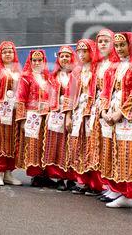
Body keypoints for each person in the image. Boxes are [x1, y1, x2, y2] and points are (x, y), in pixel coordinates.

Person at [100, 32, 132, 216]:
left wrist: (118, 114)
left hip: (129, 117)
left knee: (131, 156)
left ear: (130, 45)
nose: (119, 49)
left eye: (123, 45)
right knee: (116, 154)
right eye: (117, 45)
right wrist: (105, 111)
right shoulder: (112, 68)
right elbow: (105, 92)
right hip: (112, 116)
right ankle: (123, 194)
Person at [67, 39, 102, 195]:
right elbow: (70, 94)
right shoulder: (76, 71)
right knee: (77, 146)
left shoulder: (98, 69)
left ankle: (95, 184)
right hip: (78, 112)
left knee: (92, 146)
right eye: (79, 51)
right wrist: (68, 116)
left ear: (91, 51)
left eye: (85, 50)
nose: (81, 54)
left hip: (93, 112)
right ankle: (82, 181)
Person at [15, 50, 52, 187]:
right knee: (33, 145)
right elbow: (20, 98)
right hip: (32, 115)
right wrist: (22, 119)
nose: (37, 63)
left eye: (39, 60)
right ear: (30, 62)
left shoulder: (48, 77)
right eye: (34, 60)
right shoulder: (26, 77)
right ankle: (36, 175)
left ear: (44, 61)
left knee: (45, 145)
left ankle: (45, 174)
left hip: (46, 116)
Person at [0, 41, 23, 186]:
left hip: (13, 111)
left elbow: (22, 92)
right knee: (0, 142)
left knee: (12, 142)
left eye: (10, 51)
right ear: (0, 54)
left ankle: (9, 173)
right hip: (1, 111)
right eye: (5, 52)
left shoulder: (18, 70)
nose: (8, 54)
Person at [42, 46, 76, 191]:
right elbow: (45, 95)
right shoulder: (52, 77)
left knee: (71, 146)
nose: (64, 59)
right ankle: (60, 177)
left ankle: (71, 178)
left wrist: (69, 113)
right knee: (57, 146)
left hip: (72, 115)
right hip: (55, 114)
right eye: (62, 56)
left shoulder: (76, 76)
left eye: (67, 56)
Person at [93, 29, 120, 202]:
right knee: (104, 148)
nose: (102, 44)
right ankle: (109, 186)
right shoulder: (98, 64)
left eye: (106, 41)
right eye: (100, 41)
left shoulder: (117, 64)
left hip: (113, 110)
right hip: (100, 110)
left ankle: (118, 188)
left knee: (114, 148)